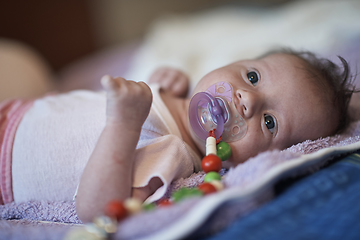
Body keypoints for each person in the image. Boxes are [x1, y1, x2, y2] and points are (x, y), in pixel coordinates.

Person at [0, 49, 355, 223]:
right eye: (252, 77)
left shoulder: (172, 153)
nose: (248, 100)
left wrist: (122, 124)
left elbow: (95, 209)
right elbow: (116, 95)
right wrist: (161, 84)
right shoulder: (172, 92)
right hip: (15, 112)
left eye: (270, 123)